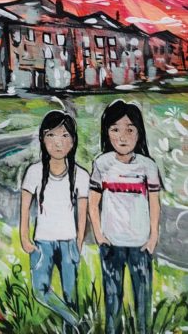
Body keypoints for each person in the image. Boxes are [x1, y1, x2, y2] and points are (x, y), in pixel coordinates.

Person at [89, 100, 161, 334]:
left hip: (141, 244)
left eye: (130, 129)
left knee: (143, 304)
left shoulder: (148, 166)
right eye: (115, 129)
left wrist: (153, 237)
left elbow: (154, 203)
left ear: (139, 133)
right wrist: (99, 235)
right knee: (112, 304)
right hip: (111, 243)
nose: (123, 136)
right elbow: (93, 203)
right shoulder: (102, 164)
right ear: (106, 132)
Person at [20, 110, 89, 330]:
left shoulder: (81, 175)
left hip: (69, 242)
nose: (58, 142)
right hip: (42, 243)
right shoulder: (34, 172)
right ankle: (79, 323)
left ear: (73, 141)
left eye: (64, 135)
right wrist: (24, 237)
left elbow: (83, 212)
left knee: (71, 296)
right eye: (51, 135)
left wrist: (79, 241)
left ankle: (74, 328)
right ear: (42, 138)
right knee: (40, 291)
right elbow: (25, 208)